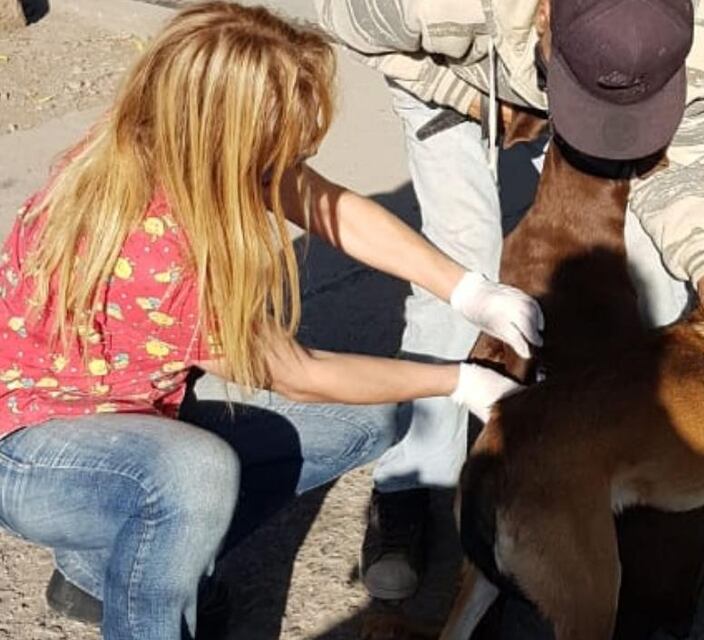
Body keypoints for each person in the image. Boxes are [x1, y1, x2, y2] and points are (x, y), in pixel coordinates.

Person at [0, 3, 544, 638]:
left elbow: (325, 204)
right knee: (194, 475)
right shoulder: (158, 249)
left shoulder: (170, 137)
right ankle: (146, 606)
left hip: (129, 410)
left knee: (372, 414)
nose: (301, 154)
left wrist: (468, 290)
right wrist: (459, 381)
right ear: (230, 135)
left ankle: (107, 571)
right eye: (284, 144)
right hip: (35, 453)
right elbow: (296, 373)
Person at [319, 0, 704, 600]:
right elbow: (347, 24)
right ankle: (409, 484)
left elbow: (672, 174)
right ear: (543, 16)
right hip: (450, 74)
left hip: (542, 75)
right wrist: (473, 99)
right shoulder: (436, 6)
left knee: (659, 277)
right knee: (459, 266)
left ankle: (633, 472)